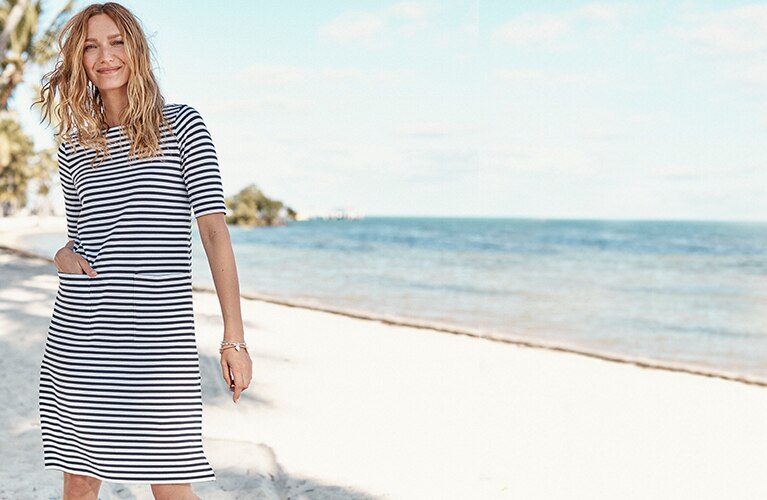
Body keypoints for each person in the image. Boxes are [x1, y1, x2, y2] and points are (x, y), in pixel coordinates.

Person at [34, 3, 252, 499]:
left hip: (158, 342)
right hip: (81, 336)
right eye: (91, 46)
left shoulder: (182, 125)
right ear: (78, 60)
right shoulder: (73, 144)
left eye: (116, 42)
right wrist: (60, 256)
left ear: (136, 49)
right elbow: (79, 237)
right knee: (79, 483)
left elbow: (214, 232)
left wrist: (233, 340)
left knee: (170, 485)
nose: (105, 56)